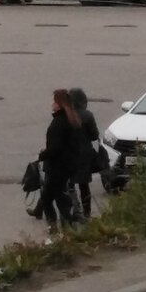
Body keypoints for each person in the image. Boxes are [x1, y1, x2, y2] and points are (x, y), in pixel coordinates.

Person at [37, 89, 82, 231]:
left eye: (54, 101)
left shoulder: (58, 122)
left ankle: (56, 227)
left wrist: (43, 154)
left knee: (51, 199)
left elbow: (55, 147)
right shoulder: (72, 119)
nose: (52, 104)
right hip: (66, 167)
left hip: (56, 168)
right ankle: (65, 226)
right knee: (58, 197)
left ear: (59, 104)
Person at [69, 87, 101, 218]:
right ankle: (87, 213)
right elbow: (94, 135)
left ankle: (73, 211)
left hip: (69, 153)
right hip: (84, 154)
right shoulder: (87, 115)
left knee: (68, 184)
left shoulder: (67, 114)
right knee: (84, 185)